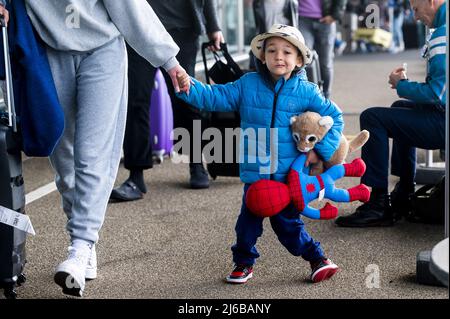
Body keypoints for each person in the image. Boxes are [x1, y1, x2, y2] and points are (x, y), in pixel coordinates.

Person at [0, 0, 189, 297]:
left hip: (103, 50)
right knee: (63, 160)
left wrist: (170, 62)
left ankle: (80, 245)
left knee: (92, 155)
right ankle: (85, 246)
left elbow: (130, 8)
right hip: (49, 51)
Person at [177, 24, 344, 284]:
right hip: (256, 177)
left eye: (287, 52)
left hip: (287, 178)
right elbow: (215, 96)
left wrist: (319, 153)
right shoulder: (247, 84)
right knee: (247, 224)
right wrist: (188, 87)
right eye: (272, 51)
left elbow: (334, 117)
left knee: (288, 226)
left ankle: (318, 258)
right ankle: (243, 263)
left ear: (299, 59)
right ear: (262, 56)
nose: (279, 56)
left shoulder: (307, 91)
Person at [335, 0, 446, 228]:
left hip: (444, 122)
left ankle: (378, 205)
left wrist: (401, 84)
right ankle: (404, 192)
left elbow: (438, 93)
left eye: (416, 9)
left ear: (432, 1)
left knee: (372, 117)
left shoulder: (443, 35)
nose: (415, 17)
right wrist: (405, 85)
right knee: (398, 108)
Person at [110, 1, 224, 202]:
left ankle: (197, 164)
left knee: (186, 99)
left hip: (183, 28)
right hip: (140, 28)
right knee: (136, 101)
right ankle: (136, 177)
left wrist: (213, 26)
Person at [298, 0, 347, 98]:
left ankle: (325, 97)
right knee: (305, 60)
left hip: (326, 19)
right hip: (302, 18)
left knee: (325, 63)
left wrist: (335, 15)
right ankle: (309, 96)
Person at [249, 0, 299, 70]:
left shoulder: (291, 2)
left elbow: (294, 26)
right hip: (266, 41)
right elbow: (258, 25)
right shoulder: (258, 2)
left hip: (286, 41)